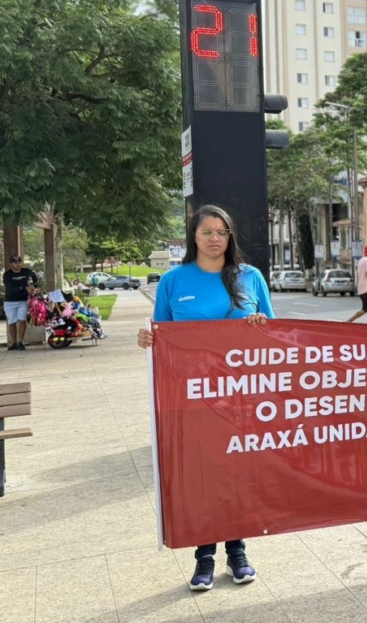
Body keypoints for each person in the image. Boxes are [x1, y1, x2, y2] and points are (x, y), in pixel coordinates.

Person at [136, 204, 273, 592]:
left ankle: (238, 551)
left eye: (222, 232)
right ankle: (204, 556)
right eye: (207, 231)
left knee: (236, 475)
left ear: (230, 237)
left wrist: (258, 327)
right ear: (192, 236)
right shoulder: (173, 281)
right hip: (191, 397)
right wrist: (146, 339)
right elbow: (160, 335)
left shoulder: (251, 278)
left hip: (242, 398)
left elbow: (275, 338)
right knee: (202, 476)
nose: (215, 238)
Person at [2, 256, 39, 350]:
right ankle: (14, 342)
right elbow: (9, 287)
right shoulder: (7, 274)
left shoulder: (27, 272)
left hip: (23, 301)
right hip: (10, 301)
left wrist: (34, 287)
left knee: (22, 320)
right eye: (15, 262)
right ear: (11, 264)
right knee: (12, 322)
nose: (17, 264)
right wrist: (23, 288)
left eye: (19, 262)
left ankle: (20, 342)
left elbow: (35, 280)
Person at [347, 246, 367, 325]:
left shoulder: (361, 260)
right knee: (366, 308)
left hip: (362, 287)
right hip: (366, 288)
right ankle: (349, 321)